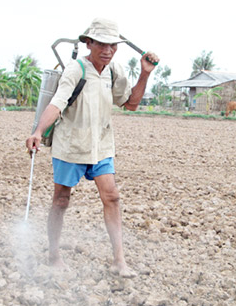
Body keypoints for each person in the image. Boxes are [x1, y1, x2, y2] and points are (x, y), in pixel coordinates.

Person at [25, 18, 159, 277]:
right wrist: (38, 132)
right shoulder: (76, 70)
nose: (107, 50)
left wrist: (144, 73)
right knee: (61, 201)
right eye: (101, 44)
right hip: (71, 146)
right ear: (89, 42)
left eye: (112, 45)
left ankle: (119, 261)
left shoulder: (114, 71)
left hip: (101, 146)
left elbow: (130, 103)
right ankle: (54, 256)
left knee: (112, 197)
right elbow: (57, 102)